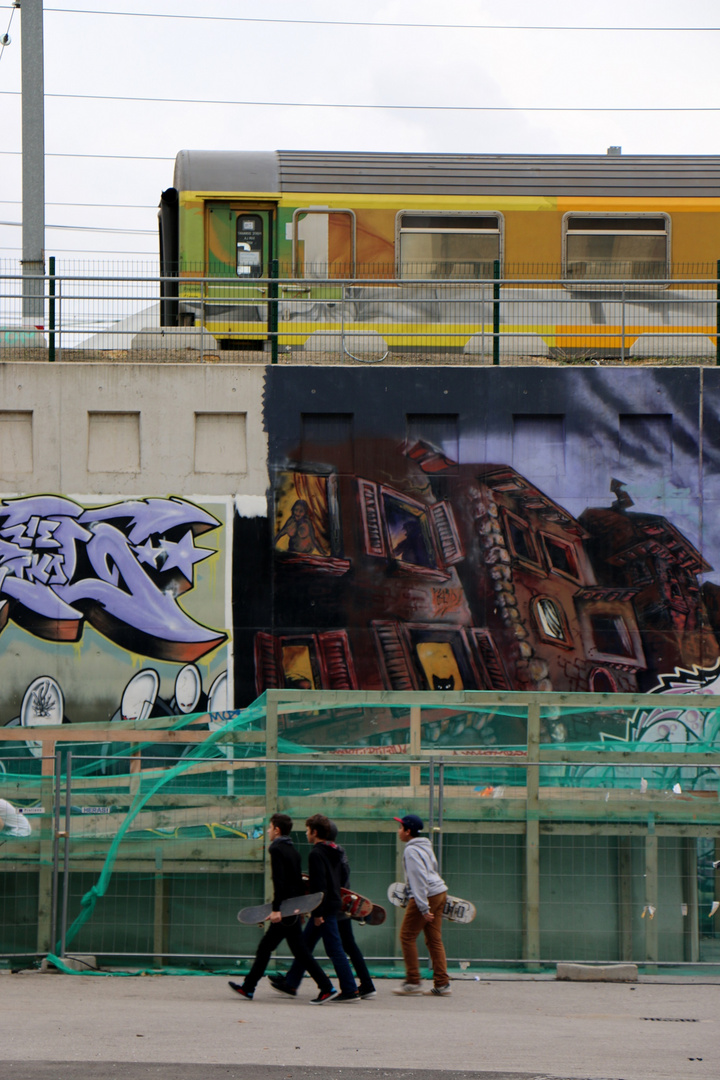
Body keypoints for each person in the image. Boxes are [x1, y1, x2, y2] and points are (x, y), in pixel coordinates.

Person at [228, 812, 338, 1004]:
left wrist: (277, 909)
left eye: (270, 828)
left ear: (277, 830)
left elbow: (279, 882)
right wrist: (296, 908)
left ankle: (249, 987)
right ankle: (249, 987)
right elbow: (294, 882)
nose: (268, 831)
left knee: (271, 948)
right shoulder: (292, 850)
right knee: (296, 950)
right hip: (292, 908)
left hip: (285, 910)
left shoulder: (277, 849)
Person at [270, 819, 375, 1000]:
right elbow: (342, 880)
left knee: (335, 948)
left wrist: (317, 910)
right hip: (336, 902)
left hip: (327, 906)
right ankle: (291, 982)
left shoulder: (317, 854)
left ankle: (350, 989)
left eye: (307, 830)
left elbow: (320, 884)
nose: (305, 833)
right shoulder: (338, 852)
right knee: (308, 943)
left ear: (316, 832)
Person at [392, 813, 451, 997]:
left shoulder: (410, 850)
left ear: (408, 831)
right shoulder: (425, 845)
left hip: (426, 895)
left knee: (406, 936)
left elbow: (418, 879)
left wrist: (424, 908)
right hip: (440, 891)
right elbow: (432, 868)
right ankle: (442, 984)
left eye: (401, 827)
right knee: (433, 938)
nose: (399, 831)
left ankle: (412, 981)